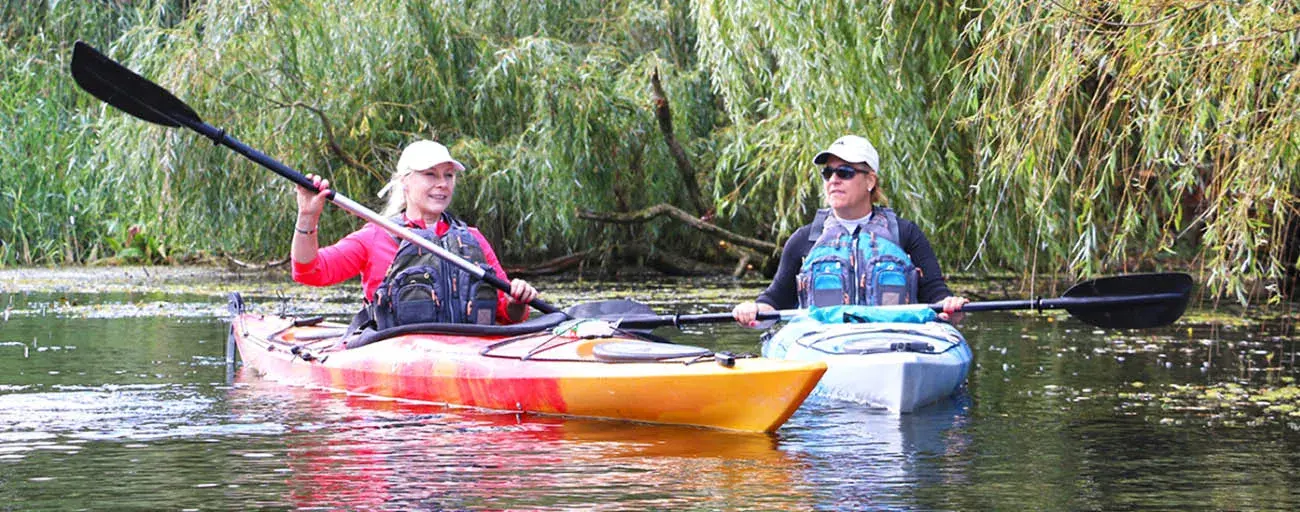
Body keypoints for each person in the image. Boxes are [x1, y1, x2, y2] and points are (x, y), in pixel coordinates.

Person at [292, 139, 538, 327]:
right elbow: (310, 271)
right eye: (430, 174)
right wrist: (307, 216)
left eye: (448, 175)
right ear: (405, 182)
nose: (442, 183)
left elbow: (508, 315)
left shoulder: (472, 238)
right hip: (396, 355)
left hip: (468, 351)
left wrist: (518, 300)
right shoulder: (375, 236)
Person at [733, 135, 967, 327]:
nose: (833, 180)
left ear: (869, 181)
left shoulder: (904, 234)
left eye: (844, 172)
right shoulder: (804, 239)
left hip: (895, 339)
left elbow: (936, 293)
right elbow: (775, 300)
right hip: (825, 345)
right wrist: (754, 310)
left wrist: (950, 306)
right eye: (828, 173)